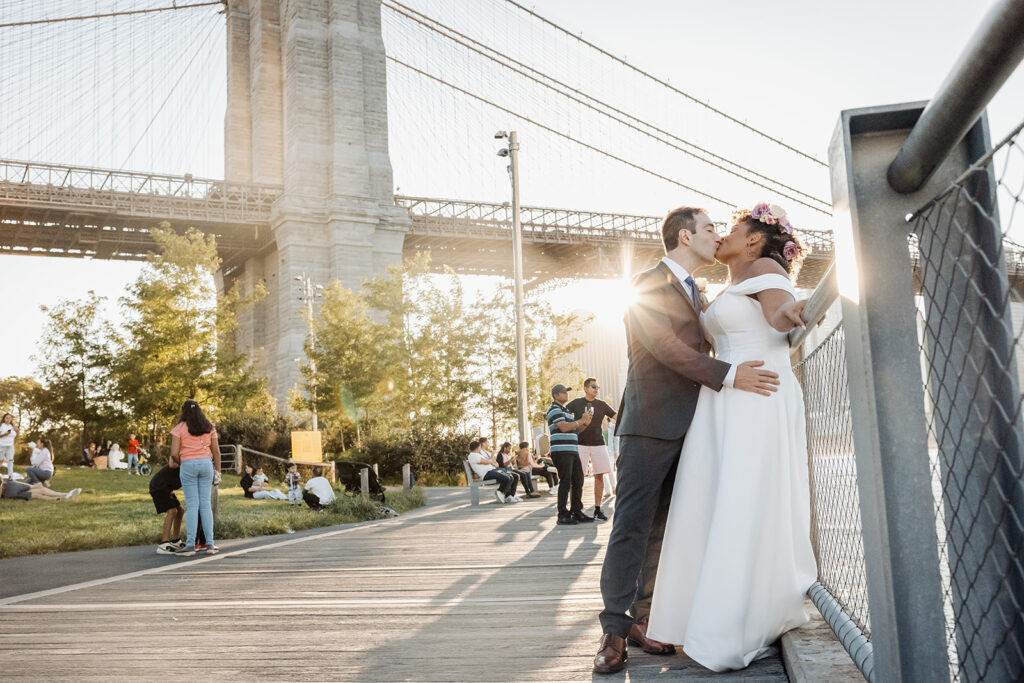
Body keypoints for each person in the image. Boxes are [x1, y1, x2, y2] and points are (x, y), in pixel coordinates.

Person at [592, 205, 799, 674]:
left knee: (665, 528)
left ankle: (647, 619)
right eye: (709, 229)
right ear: (685, 237)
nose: (717, 235)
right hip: (650, 424)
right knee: (631, 526)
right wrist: (729, 375)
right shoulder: (647, 283)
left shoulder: (698, 291)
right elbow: (665, 348)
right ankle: (613, 632)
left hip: (699, 428)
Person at [644, 204, 816, 670]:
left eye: (733, 228)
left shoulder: (764, 267)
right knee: (715, 502)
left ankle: (732, 620)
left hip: (759, 391)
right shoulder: (725, 284)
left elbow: (780, 315)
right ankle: (706, 614)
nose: (721, 235)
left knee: (742, 499)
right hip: (724, 396)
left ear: (756, 240)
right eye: (713, 228)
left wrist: (798, 309)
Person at [166, 399, 221, 556]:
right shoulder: (209, 427)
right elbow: (216, 452)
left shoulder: (179, 429)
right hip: (206, 464)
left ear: (183, 412)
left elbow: (173, 454)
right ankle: (210, 544)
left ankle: (191, 545)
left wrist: (182, 462)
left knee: (192, 505)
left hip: (188, 464)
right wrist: (218, 471)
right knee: (205, 504)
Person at [566, 378, 617, 521]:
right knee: (577, 478)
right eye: (593, 386)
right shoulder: (576, 403)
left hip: (599, 444)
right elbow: (562, 412)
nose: (596, 389)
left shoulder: (602, 405)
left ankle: (597, 509)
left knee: (600, 476)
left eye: (598, 387)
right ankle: (575, 510)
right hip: (580, 444)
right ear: (585, 388)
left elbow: (616, 416)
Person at [547, 384, 593, 525]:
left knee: (578, 480)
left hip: (572, 450)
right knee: (565, 482)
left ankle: (576, 512)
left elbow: (573, 431)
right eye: (563, 392)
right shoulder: (554, 409)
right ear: (556, 395)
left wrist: (585, 423)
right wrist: (580, 421)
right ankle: (562, 515)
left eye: (566, 392)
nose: (566, 394)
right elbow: (564, 427)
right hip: (561, 451)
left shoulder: (566, 411)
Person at [1, 479, 80, 501]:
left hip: (9, 488)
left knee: (38, 492)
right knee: (38, 490)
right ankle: (66, 495)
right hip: (9, 489)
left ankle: (64, 496)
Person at [0, 413, 17, 479]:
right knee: (0, 460)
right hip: (2, 446)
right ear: (4, 419)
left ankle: (10, 476)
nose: (8, 419)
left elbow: (16, 435)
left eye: (10, 417)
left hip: (10, 446)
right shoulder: (2, 426)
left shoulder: (12, 427)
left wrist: (17, 430)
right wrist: (6, 434)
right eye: (7, 417)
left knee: (10, 460)